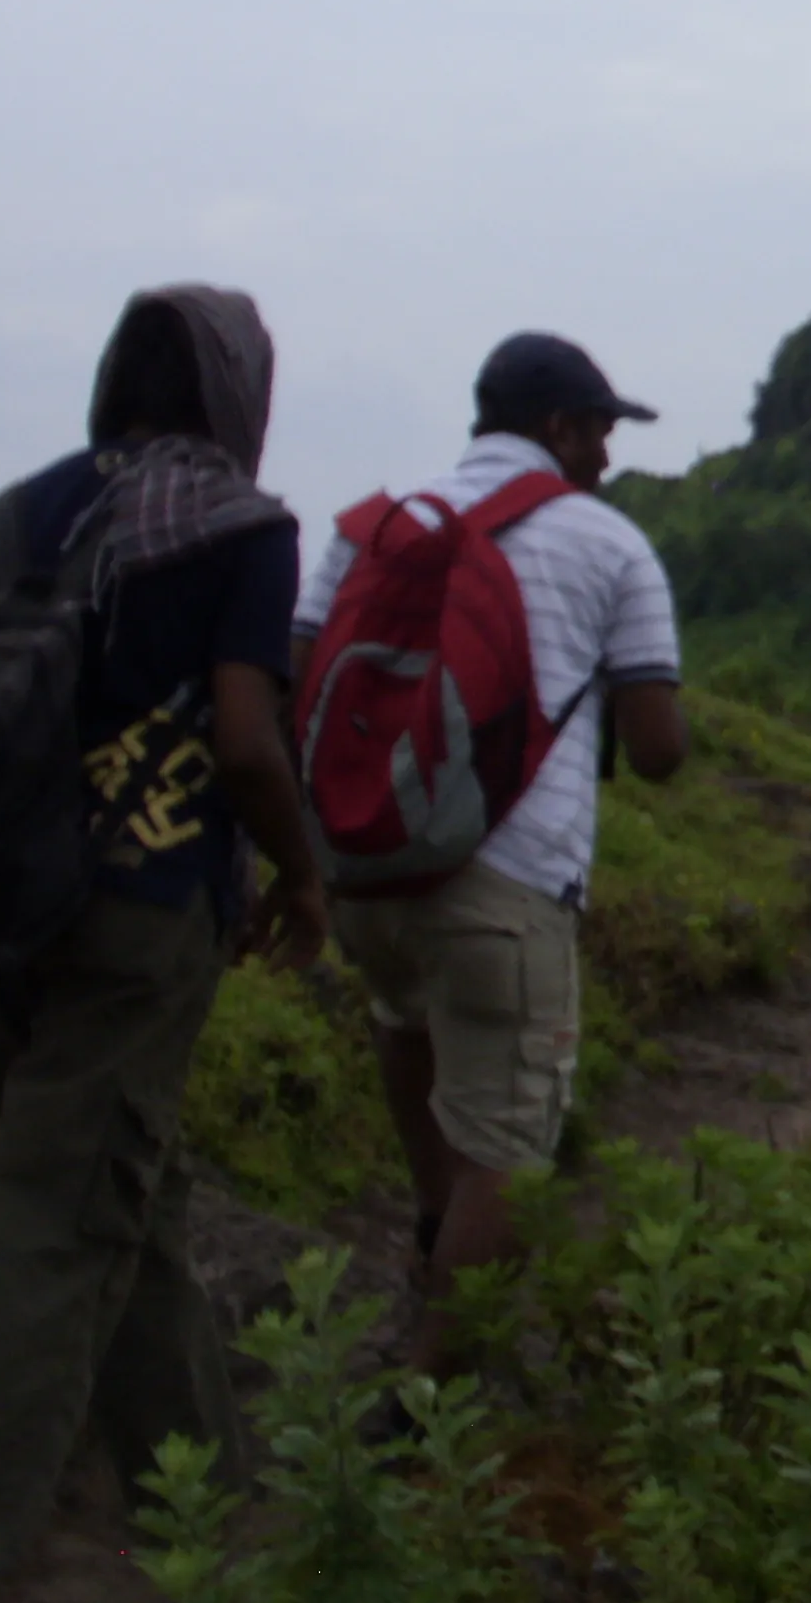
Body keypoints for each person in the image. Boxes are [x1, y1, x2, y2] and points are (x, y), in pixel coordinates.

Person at [0, 286, 327, 1603]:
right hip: (138, 916)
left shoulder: (9, 516)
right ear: (239, 394)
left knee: (126, 1183)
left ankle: (204, 1494)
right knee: (56, 1221)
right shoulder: (241, 527)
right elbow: (243, 739)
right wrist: (301, 875)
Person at [293, 333, 685, 1372]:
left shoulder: (374, 529)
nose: (607, 453)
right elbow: (658, 753)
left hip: (367, 868)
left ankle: (432, 1255)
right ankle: (425, 1413)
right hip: (510, 882)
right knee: (507, 1156)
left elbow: (298, 674)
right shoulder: (609, 546)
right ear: (556, 427)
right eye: (600, 428)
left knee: (406, 1030)